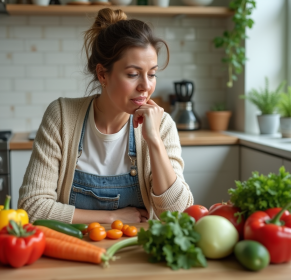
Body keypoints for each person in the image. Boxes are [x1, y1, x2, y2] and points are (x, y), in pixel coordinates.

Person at [18, 8, 193, 225]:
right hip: (74, 252)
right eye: (132, 74)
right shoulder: (62, 117)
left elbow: (178, 213)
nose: (146, 86)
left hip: (137, 253)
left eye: (152, 74)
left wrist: (155, 141)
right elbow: (32, 207)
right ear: (102, 74)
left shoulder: (162, 124)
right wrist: (112, 217)